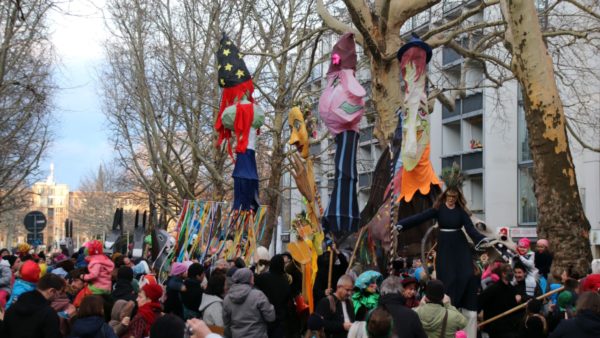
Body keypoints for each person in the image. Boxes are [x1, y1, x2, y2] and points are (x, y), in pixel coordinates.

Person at [395, 185, 488, 313]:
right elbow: (421, 217)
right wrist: (402, 224)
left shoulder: (461, 211)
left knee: (467, 274)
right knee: (448, 277)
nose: (451, 199)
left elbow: (470, 228)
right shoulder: (439, 209)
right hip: (445, 245)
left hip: (460, 244)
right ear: (445, 195)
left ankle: (464, 304)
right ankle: (449, 305)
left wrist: (480, 238)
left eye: (454, 197)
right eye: (449, 196)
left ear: (457, 197)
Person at [1, 273, 66, 338]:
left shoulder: (13, 307)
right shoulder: (49, 314)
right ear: (52, 291)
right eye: (59, 293)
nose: (58, 297)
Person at [222, 267, 275, 338]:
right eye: (252, 275)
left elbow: (226, 323)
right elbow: (271, 317)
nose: (254, 277)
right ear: (248, 278)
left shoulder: (227, 298)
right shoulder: (258, 295)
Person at [478, 263, 521, 338]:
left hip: (508, 325)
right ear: (503, 274)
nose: (512, 274)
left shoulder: (512, 288)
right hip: (495, 326)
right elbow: (480, 300)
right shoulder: (493, 288)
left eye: (512, 271)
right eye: (509, 271)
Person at [255, 254, 291, 338]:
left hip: (265, 315)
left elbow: (252, 278)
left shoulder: (265, 278)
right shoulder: (285, 281)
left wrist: (255, 265)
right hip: (280, 318)